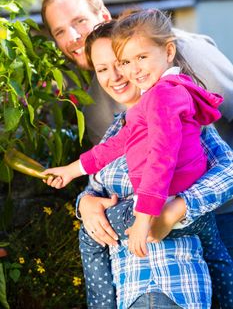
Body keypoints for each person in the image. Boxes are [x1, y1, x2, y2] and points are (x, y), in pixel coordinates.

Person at [44, 21, 233, 309]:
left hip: (176, 279)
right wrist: (86, 204)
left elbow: (227, 171)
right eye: (103, 69)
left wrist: (177, 209)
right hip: (129, 284)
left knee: (216, 251)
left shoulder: (178, 110)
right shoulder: (116, 130)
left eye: (124, 62)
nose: (118, 75)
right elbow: (95, 184)